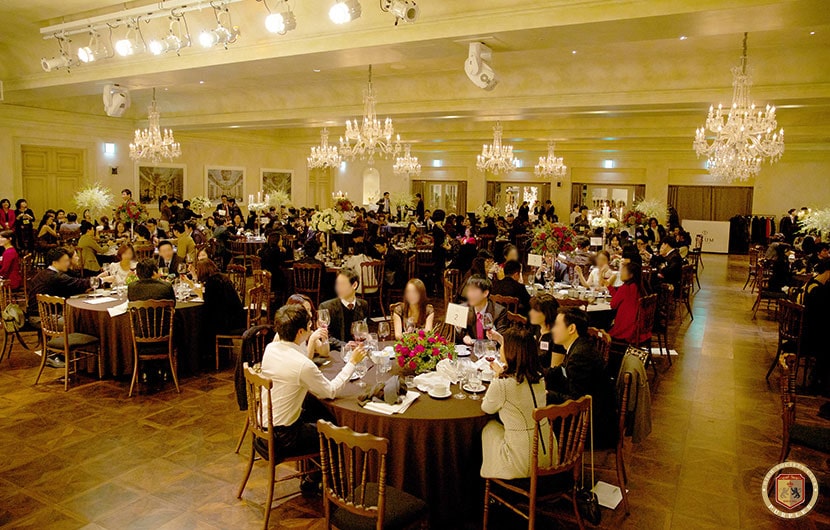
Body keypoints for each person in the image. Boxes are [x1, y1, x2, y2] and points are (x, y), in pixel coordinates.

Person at [260, 305, 367, 465]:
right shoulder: (302, 365)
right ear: (300, 332)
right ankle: (330, 478)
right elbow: (330, 391)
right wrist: (353, 362)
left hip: (263, 428)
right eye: (309, 326)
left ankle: (313, 474)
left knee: (317, 410)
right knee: (338, 435)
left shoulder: (271, 348)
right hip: (282, 438)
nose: (311, 329)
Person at [480, 326, 552, 479]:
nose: (501, 349)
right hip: (548, 452)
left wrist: (497, 376)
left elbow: (487, 408)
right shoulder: (540, 378)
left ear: (510, 352)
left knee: (489, 428)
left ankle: (482, 477)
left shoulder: (503, 384)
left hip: (524, 462)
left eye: (503, 346)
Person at [546, 307, 617, 448]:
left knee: (536, 415)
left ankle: (550, 458)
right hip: (593, 412)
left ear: (571, 329)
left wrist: (547, 394)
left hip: (594, 425)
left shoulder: (580, 355)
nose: (553, 329)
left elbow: (576, 401)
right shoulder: (579, 346)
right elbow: (560, 371)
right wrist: (535, 373)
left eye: (557, 325)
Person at [193, 258, 246, 354]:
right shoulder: (222, 278)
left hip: (229, 322)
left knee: (199, 325)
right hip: (238, 316)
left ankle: (205, 355)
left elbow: (209, 306)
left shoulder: (212, 283)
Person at [318, 268, 370, 350]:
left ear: (354, 285)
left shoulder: (363, 305)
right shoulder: (326, 307)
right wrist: (344, 346)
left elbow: (366, 330)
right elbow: (325, 336)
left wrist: (367, 336)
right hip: (336, 352)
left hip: (358, 350)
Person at [801, 260, 830, 393]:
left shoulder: (812, 283)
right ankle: (820, 381)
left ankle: (819, 378)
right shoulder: (819, 290)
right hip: (811, 336)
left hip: (809, 330)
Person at [608, 261, 650, 345]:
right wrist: (610, 287)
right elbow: (621, 298)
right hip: (640, 327)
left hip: (626, 329)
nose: (621, 273)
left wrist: (609, 285)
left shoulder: (626, 288)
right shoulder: (638, 286)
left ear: (631, 275)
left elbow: (613, 305)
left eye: (623, 271)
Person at [458, 275, 508, 345]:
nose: (469, 295)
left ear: (485, 293)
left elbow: (503, 342)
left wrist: (497, 337)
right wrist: (464, 335)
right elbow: (458, 337)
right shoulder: (464, 309)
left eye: (473, 291)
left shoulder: (499, 312)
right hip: (470, 349)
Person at [286, 294, 331, 358]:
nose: (310, 315)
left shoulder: (307, 331)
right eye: (306, 311)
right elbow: (305, 361)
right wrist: (312, 339)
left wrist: (324, 338)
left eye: (310, 310)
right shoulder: (283, 334)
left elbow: (324, 353)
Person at [528, 293, 563, 368]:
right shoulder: (536, 328)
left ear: (547, 314)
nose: (531, 313)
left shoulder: (558, 338)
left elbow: (555, 369)